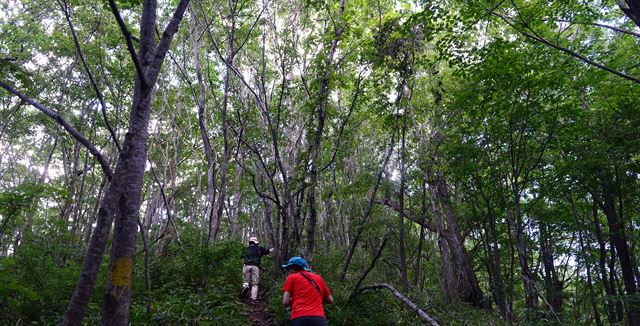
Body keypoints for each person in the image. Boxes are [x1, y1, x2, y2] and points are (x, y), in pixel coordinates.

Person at [281, 257, 333, 326]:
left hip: (299, 318)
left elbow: (285, 302)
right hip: (318, 318)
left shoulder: (291, 277)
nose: (289, 271)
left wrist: (295, 299)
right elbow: (330, 300)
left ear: (295, 268)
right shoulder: (318, 278)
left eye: (289, 268)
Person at [241, 236, 274, 301]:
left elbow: (241, 257)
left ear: (250, 242)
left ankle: (246, 287)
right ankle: (253, 298)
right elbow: (268, 251)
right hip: (255, 266)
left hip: (246, 266)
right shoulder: (259, 248)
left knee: (245, 281)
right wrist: (273, 248)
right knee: (255, 283)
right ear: (255, 243)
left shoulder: (245, 249)